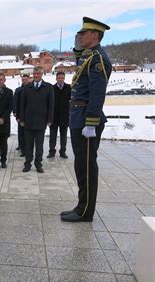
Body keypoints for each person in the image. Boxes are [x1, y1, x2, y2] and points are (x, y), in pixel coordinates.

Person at [61, 17, 112, 222]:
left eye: (84, 33)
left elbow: (97, 93)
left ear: (95, 35)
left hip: (86, 120)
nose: (79, 36)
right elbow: (81, 69)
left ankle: (85, 212)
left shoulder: (99, 59)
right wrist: (77, 50)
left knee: (87, 167)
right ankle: (81, 206)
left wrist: (91, 123)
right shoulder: (89, 56)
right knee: (81, 165)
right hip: (78, 117)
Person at [19, 66, 54, 173]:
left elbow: (51, 105)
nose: (36, 75)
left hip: (41, 121)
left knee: (39, 146)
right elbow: (22, 104)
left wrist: (49, 119)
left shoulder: (48, 87)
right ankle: (27, 164)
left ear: (42, 74)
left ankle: (38, 164)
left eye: (38, 73)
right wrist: (21, 119)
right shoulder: (27, 87)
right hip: (28, 121)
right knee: (28, 145)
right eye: (34, 74)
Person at [48, 71, 71, 158]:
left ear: (64, 78)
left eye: (62, 78)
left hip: (65, 116)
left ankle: (63, 152)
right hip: (54, 117)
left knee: (63, 136)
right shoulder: (52, 88)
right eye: (59, 78)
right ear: (56, 78)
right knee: (52, 136)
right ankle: (51, 152)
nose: (60, 79)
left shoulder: (69, 88)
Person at [13, 74, 30, 157]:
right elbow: (15, 101)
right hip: (20, 114)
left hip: (29, 115)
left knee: (28, 133)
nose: (24, 81)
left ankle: (28, 148)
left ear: (29, 79)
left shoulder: (32, 89)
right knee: (21, 132)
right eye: (23, 80)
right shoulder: (18, 90)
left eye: (26, 79)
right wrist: (15, 112)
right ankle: (22, 147)